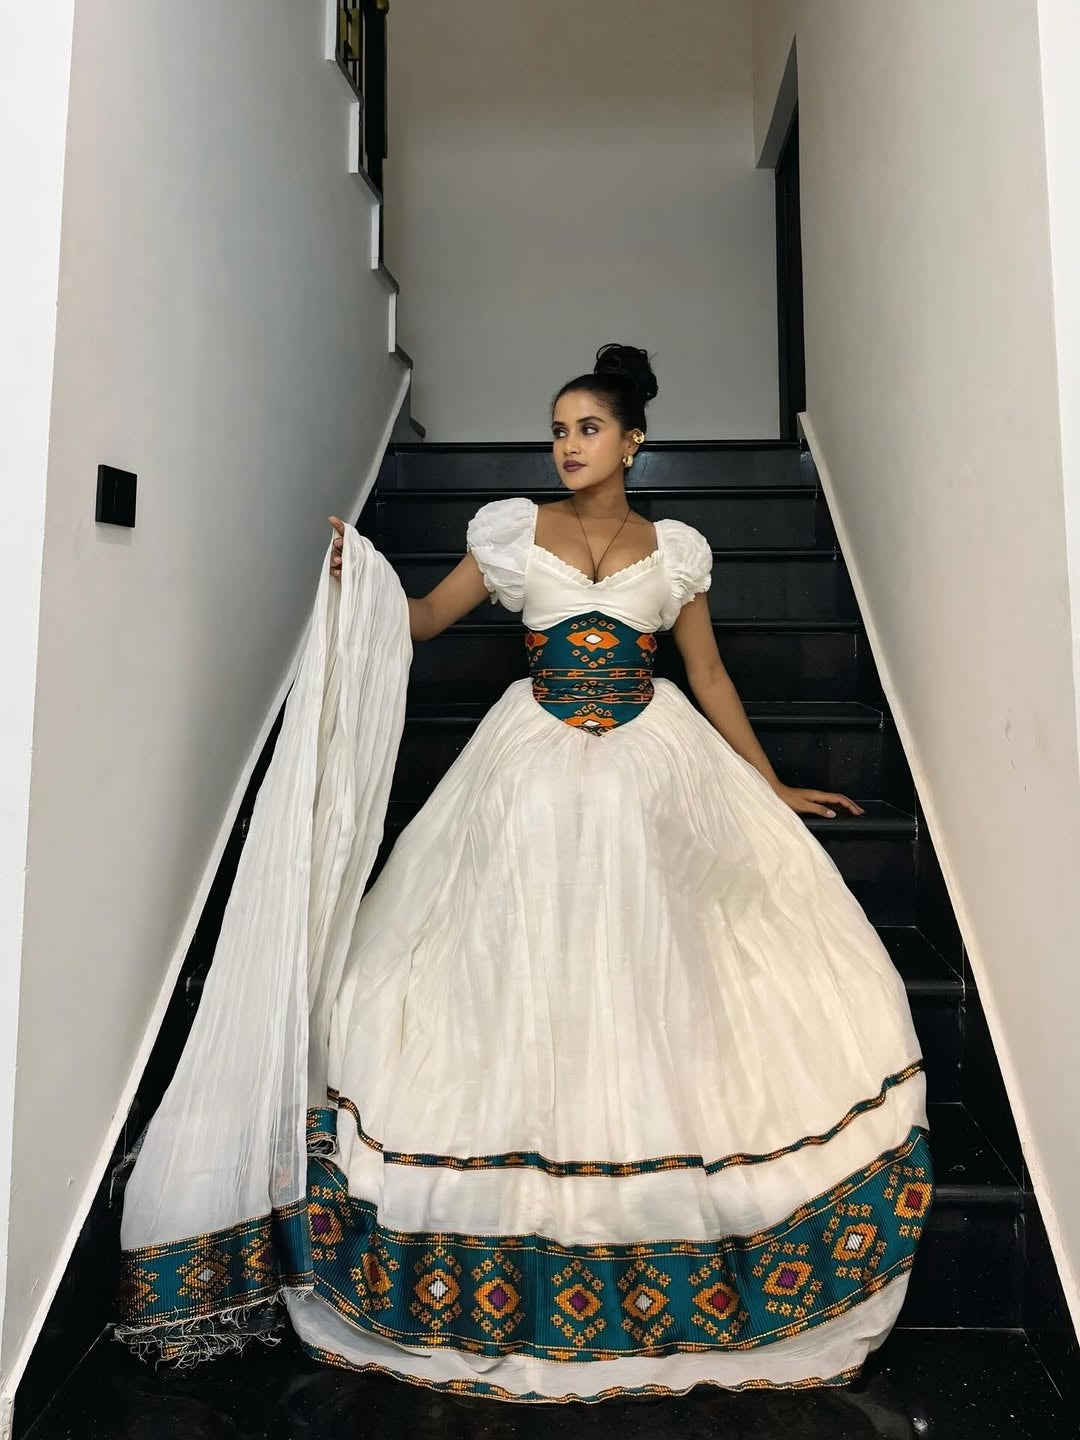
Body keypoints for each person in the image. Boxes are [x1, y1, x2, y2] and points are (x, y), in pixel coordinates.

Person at [119, 344, 930, 1403]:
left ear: (633, 440)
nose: (566, 445)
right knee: (502, 933)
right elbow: (419, 624)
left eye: (586, 428)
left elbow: (712, 671)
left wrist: (772, 787)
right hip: (530, 754)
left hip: (653, 754)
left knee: (684, 925)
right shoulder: (511, 531)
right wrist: (356, 580)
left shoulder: (674, 550)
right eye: (557, 429)